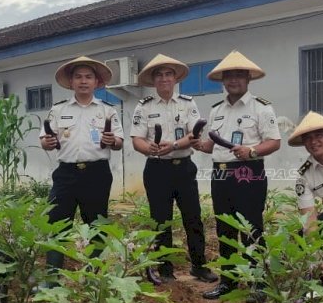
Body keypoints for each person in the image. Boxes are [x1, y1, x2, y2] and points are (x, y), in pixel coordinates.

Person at [193, 50, 281, 301]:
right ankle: (229, 281)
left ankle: (258, 283)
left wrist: (251, 150)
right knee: (224, 229)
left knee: (252, 227)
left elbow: (274, 142)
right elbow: (211, 146)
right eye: (228, 76)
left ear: (248, 79)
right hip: (220, 174)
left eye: (239, 76)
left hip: (248, 172)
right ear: (223, 81)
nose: (233, 80)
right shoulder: (216, 110)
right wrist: (198, 144)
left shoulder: (261, 108)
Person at [129, 54, 218, 283]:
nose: (164, 78)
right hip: (157, 169)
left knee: (193, 218)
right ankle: (165, 270)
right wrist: (149, 148)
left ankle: (199, 265)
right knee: (161, 221)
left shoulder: (188, 104)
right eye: (159, 75)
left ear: (175, 78)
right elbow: (136, 139)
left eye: (168, 74)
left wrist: (175, 145)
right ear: (154, 80)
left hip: (183, 168)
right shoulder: (144, 106)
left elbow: (195, 133)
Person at [40, 55, 124, 271]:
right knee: (57, 223)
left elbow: (119, 142)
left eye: (88, 77)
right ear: (71, 82)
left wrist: (112, 140)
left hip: (97, 174)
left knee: (97, 224)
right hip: (66, 174)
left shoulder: (107, 110)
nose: (83, 81)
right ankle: (52, 274)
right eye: (78, 77)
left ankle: (95, 273)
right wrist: (48, 142)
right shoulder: (58, 110)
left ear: (96, 82)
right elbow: (45, 140)